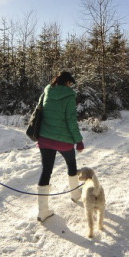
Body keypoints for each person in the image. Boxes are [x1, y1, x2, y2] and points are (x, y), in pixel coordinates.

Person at [35, 71, 84, 222]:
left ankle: (42, 211)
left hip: (45, 138)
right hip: (63, 140)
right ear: (67, 82)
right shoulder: (69, 96)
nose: (71, 86)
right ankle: (75, 195)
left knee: (46, 171)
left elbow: (39, 110)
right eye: (71, 83)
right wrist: (78, 140)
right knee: (71, 164)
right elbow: (71, 120)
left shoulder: (47, 90)